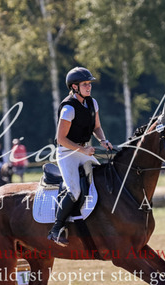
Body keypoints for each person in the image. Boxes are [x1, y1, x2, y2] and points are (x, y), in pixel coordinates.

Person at [47, 66, 113, 246]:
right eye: (85, 84)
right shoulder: (68, 108)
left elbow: (97, 127)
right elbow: (61, 139)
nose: (89, 87)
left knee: (103, 177)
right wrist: (82, 150)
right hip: (66, 153)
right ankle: (56, 229)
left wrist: (103, 140)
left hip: (83, 150)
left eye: (89, 84)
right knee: (74, 191)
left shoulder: (92, 103)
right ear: (74, 87)